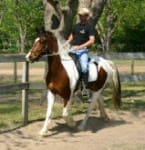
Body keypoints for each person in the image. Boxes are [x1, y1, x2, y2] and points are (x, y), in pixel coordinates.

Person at [67, 7, 96, 98]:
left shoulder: (89, 27)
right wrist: (65, 44)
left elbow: (92, 40)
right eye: (79, 15)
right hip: (72, 50)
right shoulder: (76, 26)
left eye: (82, 15)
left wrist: (80, 47)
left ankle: (85, 88)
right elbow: (71, 37)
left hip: (83, 51)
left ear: (86, 16)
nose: (80, 17)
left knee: (84, 68)